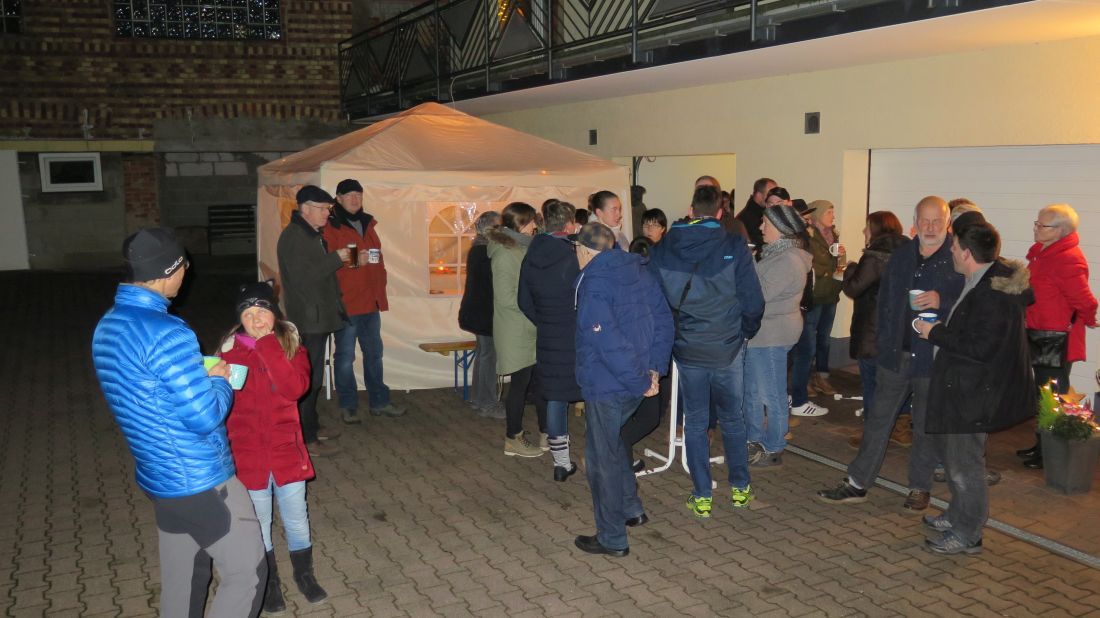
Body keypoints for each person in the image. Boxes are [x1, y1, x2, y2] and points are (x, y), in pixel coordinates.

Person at [92, 227, 265, 618]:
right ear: (169, 270)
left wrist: (193, 378)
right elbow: (205, 417)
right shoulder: (167, 331)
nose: (188, 272)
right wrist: (218, 381)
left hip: (159, 478)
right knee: (247, 575)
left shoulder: (108, 325)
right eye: (184, 264)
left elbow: (145, 393)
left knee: (183, 578)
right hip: (201, 480)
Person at [817, 196, 963, 511]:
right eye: (924, 221)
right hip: (896, 355)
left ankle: (920, 487)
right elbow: (884, 302)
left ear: (947, 223)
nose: (930, 227)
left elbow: (970, 305)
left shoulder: (958, 257)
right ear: (915, 223)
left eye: (937, 221)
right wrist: (884, 342)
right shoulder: (902, 256)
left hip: (933, 357)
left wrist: (943, 301)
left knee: (924, 426)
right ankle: (857, 483)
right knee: (878, 420)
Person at [914, 221, 1035, 554]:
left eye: (954, 247)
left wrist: (935, 333)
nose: (951, 251)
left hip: (973, 394)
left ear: (967, 253)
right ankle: (958, 515)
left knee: (964, 467)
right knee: (955, 460)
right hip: (961, 388)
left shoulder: (992, 296)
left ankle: (968, 533)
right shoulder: (981, 280)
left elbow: (982, 348)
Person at [649, 185, 765, 517]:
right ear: (720, 213)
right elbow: (753, 301)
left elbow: (656, 303)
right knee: (732, 418)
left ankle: (702, 495)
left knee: (696, 421)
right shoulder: (733, 245)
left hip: (688, 348)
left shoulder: (664, 248)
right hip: (728, 346)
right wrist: (745, 332)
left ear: (690, 210)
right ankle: (740, 488)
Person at [218, 281, 327, 612]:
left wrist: (267, 345)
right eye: (247, 313)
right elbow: (220, 406)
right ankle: (269, 582)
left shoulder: (293, 347)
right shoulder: (228, 353)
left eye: (262, 310)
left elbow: (294, 389)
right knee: (259, 524)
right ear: (239, 319)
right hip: (248, 455)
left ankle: (304, 575)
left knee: (296, 519)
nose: (256, 319)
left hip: (285, 451)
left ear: (275, 314)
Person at [572, 222, 673, 557]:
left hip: (610, 383)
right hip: (635, 379)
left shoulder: (594, 281)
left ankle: (612, 537)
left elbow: (606, 339)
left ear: (585, 251)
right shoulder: (639, 271)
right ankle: (632, 509)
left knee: (600, 460)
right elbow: (663, 322)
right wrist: (653, 370)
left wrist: (642, 379)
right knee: (614, 443)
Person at [1018, 203, 1098, 469]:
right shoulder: (1042, 253)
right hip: (1040, 334)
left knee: (1053, 396)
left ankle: (1050, 453)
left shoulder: (1068, 259)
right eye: (1036, 223)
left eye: (1043, 225)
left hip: (1056, 339)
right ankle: (1041, 444)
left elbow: (1085, 300)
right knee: (1044, 394)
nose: (1036, 228)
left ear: (1061, 230)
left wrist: (1088, 319)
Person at [324, 179, 405, 424]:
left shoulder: (368, 223)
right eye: (349, 195)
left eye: (358, 194)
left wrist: (380, 288)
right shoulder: (331, 226)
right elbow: (326, 261)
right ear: (338, 198)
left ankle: (379, 401)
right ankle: (348, 405)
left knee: (374, 355)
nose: (354, 199)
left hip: (371, 301)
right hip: (347, 303)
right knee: (345, 357)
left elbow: (376, 259)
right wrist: (354, 260)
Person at [277, 185, 349, 457]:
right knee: (309, 377)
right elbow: (303, 278)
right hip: (309, 319)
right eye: (323, 208)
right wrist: (336, 258)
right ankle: (307, 438)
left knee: (314, 376)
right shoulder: (295, 237)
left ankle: (312, 425)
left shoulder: (309, 234)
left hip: (319, 316)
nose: (327, 214)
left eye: (328, 209)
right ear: (305, 208)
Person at [518, 200, 583, 481]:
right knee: (593, 393)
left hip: (547, 334)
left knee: (556, 396)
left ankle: (561, 463)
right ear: (569, 225)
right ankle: (603, 454)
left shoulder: (532, 253)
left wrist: (543, 320)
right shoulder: (573, 255)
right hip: (575, 335)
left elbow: (523, 300)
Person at [745, 205, 813, 468]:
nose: (760, 227)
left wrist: (747, 263)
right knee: (752, 391)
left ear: (781, 229)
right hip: (762, 334)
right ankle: (753, 439)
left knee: (771, 394)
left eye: (766, 223)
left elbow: (759, 294)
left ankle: (773, 446)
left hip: (773, 335)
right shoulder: (775, 253)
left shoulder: (788, 260)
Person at [487, 202, 548, 457]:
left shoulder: (522, 246)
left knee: (538, 382)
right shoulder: (505, 253)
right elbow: (505, 297)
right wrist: (537, 305)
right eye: (532, 221)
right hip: (516, 328)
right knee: (520, 385)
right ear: (521, 223)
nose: (535, 225)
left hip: (528, 324)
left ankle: (546, 432)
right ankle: (513, 437)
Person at [843, 211, 907, 444]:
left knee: (872, 383)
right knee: (898, 385)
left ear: (876, 228)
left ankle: (872, 435)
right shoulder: (910, 251)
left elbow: (853, 288)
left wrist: (850, 269)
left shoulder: (874, 257)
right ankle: (900, 429)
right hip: (899, 331)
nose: (864, 231)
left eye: (867, 226)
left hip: (873, 331)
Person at [791, 199, 845, 412]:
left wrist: (842, 258)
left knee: (825, 340)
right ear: (818, 215)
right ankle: (803, 382)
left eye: (833, 211)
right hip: (815, 296)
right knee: (809, 342)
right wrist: (828, 272)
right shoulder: (810, 236)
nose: (833, 215)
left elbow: (836, 263)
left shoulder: (834, 235)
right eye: (829, 212)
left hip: (831, 293)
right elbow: (810, 264)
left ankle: (821, 377)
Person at [459, 211, 505, 418]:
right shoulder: (486, 251)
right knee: (488, 356)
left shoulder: (478, 248)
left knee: (483, 354)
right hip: (484, 312)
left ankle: (479, 399)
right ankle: (487, 402)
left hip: (477, 310)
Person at [695, 175, 748, 241]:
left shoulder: (734, 226)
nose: (703, 195)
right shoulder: (686, 227)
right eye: (699, 191)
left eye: (709, 191)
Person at [736, 177, 778, 249]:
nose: (774, 198)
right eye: (770, 194)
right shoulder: (747, 218)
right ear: (759, 195)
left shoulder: (767, 213)